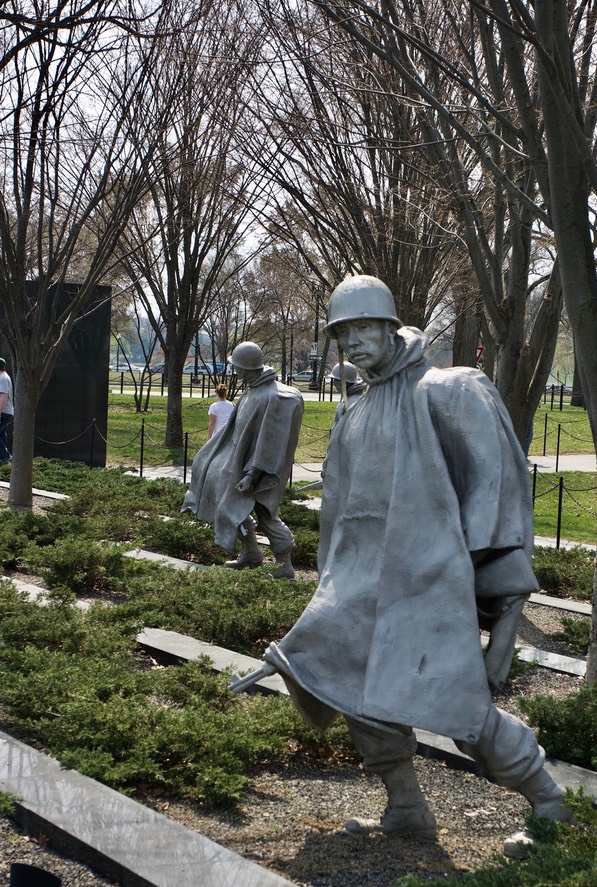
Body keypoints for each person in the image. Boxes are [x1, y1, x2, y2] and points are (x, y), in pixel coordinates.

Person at [242, 276, 571, 856]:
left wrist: (503, 616)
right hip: (361, 585)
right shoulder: (354, 412)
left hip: (430, 584)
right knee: (352, 690)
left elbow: (495, 500)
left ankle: (549, 801)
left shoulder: (450, 389)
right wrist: (328, 591)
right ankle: (407, 807)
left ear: (392, 326)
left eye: (365, 328)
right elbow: (341, 512)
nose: (355, 343)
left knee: (457, 705)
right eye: (344, 333)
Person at [181, 342, 304, 579]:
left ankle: (285, 564)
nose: (235, 371)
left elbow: (270, 442)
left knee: (265, 513)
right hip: (238, 465)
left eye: (237, 367)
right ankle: (251, 552)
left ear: (246, 369)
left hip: (260, 471)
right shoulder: (253, 390)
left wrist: (252, 475)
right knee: (230, 507)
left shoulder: (273, 396)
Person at [0, 356, 14, 463]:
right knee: (1, 434)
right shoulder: (4, 376)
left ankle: (5, 457)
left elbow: (3, 396)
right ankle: (5, 458)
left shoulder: (2, 378)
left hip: (3, 412)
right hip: (6, 412)